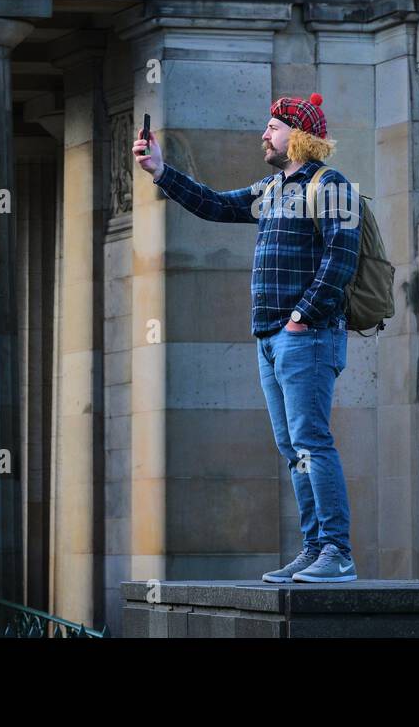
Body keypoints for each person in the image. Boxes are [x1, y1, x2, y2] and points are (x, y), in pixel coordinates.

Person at [132, 92, 360, 582]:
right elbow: (215, 205)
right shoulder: (272, 188)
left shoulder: (331, 184)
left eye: (273, 127)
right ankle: (314, 547)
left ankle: (337, 553)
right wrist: (160, 170)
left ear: (297, 136)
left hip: (308, 336)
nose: (264, 135)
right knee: (292, 447)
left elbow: (342, 258)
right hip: (271, 339)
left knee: (312, 442)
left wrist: (300, 315)